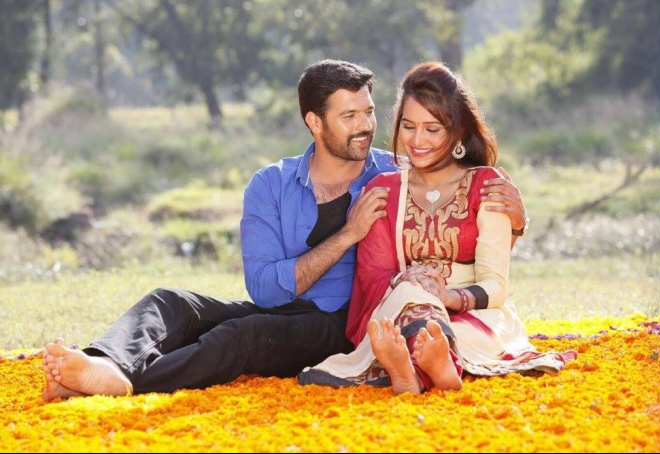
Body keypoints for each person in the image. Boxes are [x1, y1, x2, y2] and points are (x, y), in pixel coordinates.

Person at [41, 59, 529, 401]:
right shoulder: (270, 184)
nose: (366, 126)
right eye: (349, 116)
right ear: (315, 122)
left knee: (242, 336)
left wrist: (517, 218)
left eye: (369, 112)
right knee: (171, 301)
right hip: (282, 308)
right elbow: (266, 290)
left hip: (342, 321)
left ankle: (127, 383)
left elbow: (450, 204)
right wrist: (348, 234)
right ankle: (103, 362)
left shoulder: (394, 173)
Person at [298, 61, 576, 395]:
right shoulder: (384, 191)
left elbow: (495, 286)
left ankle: (413, 370)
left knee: (449, 331)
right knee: (411, 298)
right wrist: (410, 282)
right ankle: (436, 371)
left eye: (432, 129)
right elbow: (372, 278)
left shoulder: (487, 186)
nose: (417, 140)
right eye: (408, 126)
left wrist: (447, 297)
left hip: (474, 313)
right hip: (402, 305)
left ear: (457, 131)